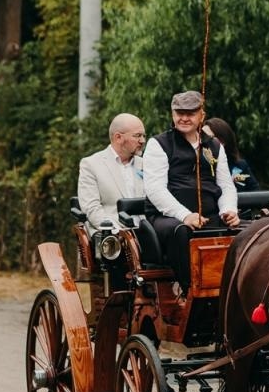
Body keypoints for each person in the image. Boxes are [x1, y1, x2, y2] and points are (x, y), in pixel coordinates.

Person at [142, 90, 238, 290]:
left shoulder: (214, 146)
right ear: (172, 114)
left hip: (210, 215)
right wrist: (185, 215)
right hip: (167, 218)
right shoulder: (158, 144)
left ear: (201, 115)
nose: (184, 118)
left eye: (190, 113)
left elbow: (226, 185)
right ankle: (191, 291)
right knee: (182, 231)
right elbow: (155, 189)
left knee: (245, 230)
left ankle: (233, 291)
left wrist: (228, 210)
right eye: (179, 113)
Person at [78, 113, 146, 229]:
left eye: (144, 136)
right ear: (118, 137)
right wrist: (115, 231)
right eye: (137, 136)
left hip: (148, 230)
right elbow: (92, 208)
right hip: (112, 233)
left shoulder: (146, 165)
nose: (143, 141)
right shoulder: (91, 164)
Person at [205, 117, 259, 192]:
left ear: (223, 141)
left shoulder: (240, 166)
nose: (204, 140)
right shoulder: (198, 166)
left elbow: (255, 192)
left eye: (210, 138)